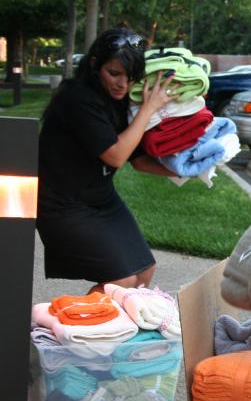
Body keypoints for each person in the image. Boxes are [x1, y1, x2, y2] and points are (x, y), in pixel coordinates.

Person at [37, 27, 178, 292]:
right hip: (62, 204)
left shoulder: (119, 99)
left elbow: (139, 160)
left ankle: (112, 331)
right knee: (120, 282)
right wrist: (148, 109)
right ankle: (72, 329)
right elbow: (115, 155)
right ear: (94, 65)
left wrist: (188, 170)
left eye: (131, 77)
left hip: (100, 198)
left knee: (144, 271)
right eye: (114, 73)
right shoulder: (78, 99)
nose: (123, 84)